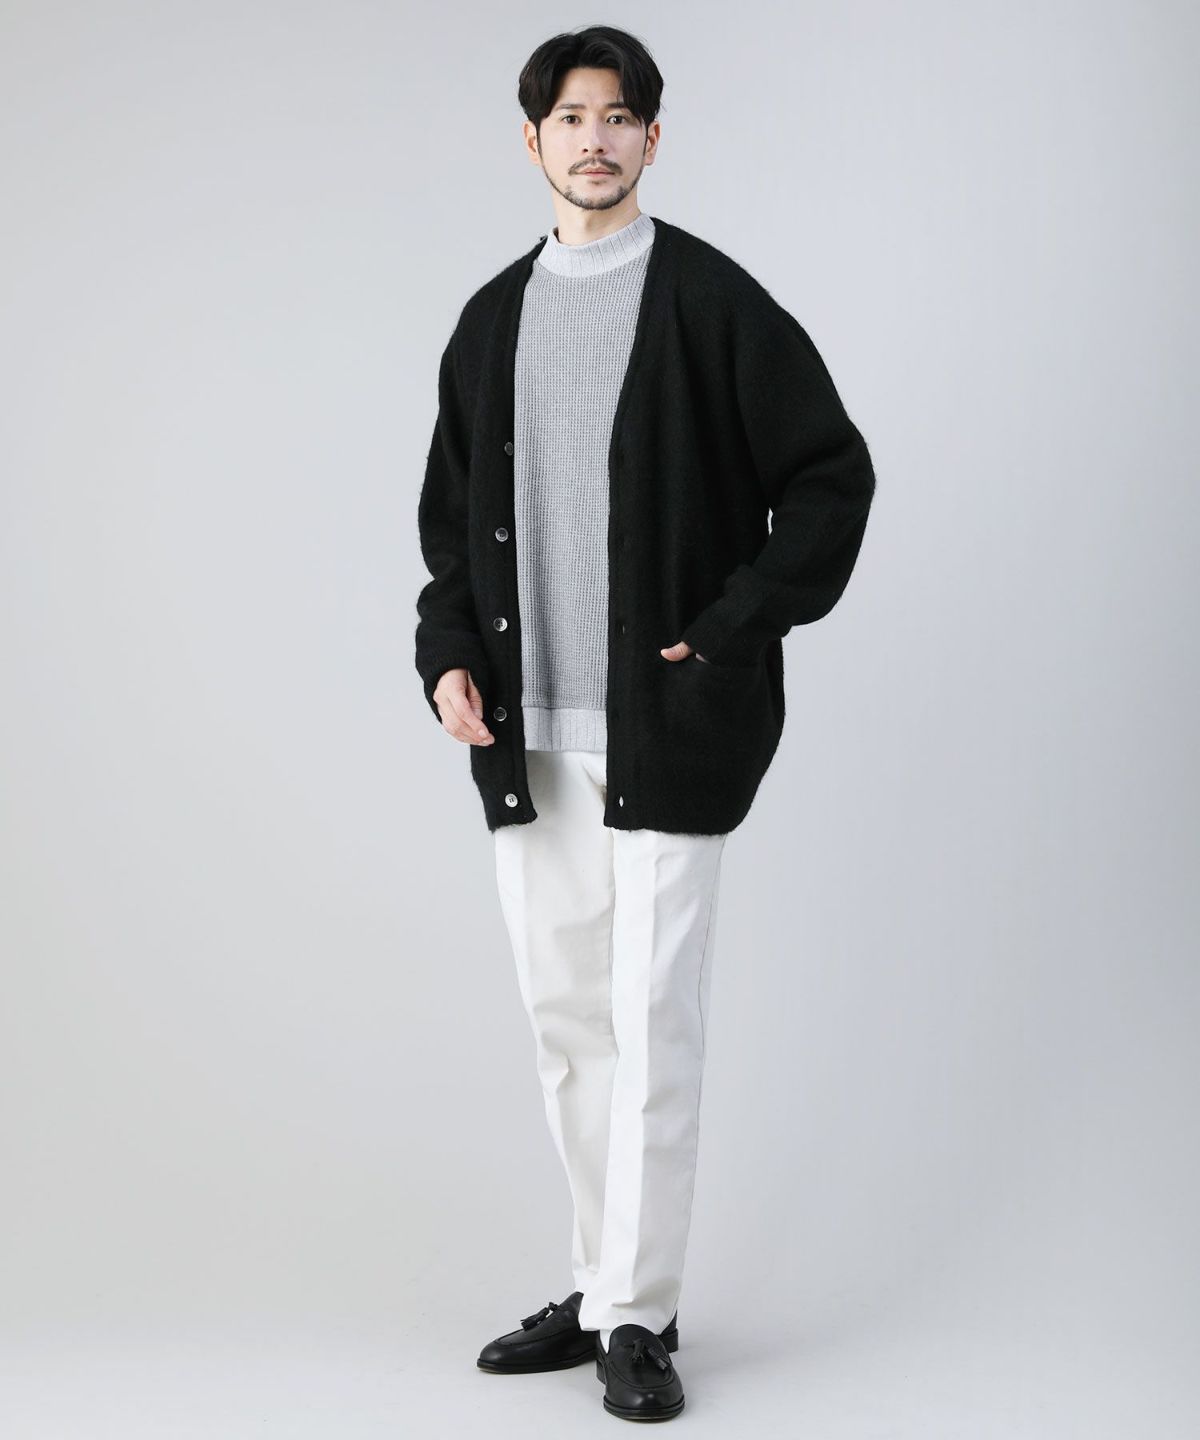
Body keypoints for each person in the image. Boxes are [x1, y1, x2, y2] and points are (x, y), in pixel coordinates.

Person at [415, 24, 876, 1423]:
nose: (595, 138)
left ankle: (639, 1314)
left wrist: (729, 630)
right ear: (533, 140)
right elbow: (447, 531)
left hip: (665, 727)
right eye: (570, 117)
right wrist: (447, 656)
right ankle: (600, 1279)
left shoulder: (711, 301)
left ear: (653, 139)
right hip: (527, 732)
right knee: (568, 1026)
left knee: (650, 1025)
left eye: (619, 116)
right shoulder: (491, 319)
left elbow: (830, 477)